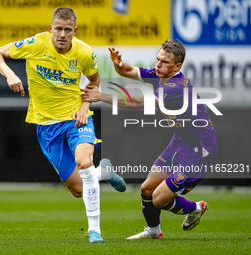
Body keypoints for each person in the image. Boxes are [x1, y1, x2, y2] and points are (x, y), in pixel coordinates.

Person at [0, 7, 126, 243]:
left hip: (76, 118)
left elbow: (94, 82)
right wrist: (10, 75)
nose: (62, 34)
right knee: (79, 190)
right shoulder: (36, 44)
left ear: (75, 31)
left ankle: (95, 231)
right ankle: (104, 171)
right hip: (45, 125)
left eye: (68, 30)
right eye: (58, 29)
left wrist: (84, 108)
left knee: (84, 162)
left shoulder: (85, 53)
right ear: (51, 28)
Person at [81, 40, 218, 239]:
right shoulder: (160, 73)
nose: (158, 64)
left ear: (177, 67)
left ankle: (196, 208)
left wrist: (100, 96)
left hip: (200, 152)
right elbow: (129, 71)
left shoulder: (175, 87)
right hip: (180, 143)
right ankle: (154, 232)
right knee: (147, 188)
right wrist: (119, 65)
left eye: (164, 62)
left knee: (158, 198)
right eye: (157, 59)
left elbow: (137, 103)